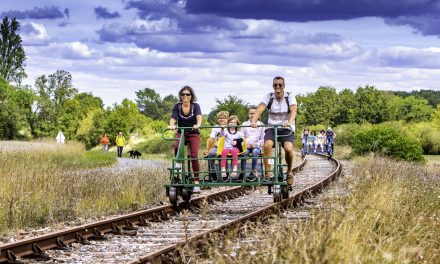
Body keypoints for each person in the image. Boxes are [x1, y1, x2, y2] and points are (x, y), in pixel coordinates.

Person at [251, 76, 297, 185]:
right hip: (272, 127)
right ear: (273, 86)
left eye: (280, 85)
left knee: (288, 148)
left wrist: (289, 122)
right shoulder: (269, 96)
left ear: (283, 86)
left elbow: (293, 111)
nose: (278, 87)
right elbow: (260, 109)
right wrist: (254, 121)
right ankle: (267, 174)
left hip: (286, 128)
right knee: (266, 146)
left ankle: (289, 172)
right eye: (275, 85)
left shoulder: (289, 96)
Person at [168, 86, 202, 193]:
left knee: (194, 156)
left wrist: (198, 125)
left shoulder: (195, 106)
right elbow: (173, 118)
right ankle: (179, 163)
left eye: (188, 94)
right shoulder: (177, 106)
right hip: (182, 132)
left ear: (191, 96)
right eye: (183, 94)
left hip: (193, 133)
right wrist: (172, 125)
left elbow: (199, 117)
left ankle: (196, 183)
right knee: (177, 146)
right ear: (180, 96)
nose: (185, 96)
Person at [203, 111, 229, 177]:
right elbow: (211, 139)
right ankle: (212, 171)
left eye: (224, 118)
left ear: (227, 119)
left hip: (227, 147)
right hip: (217, 146)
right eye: (220, 118)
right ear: (218, 120)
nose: (222, 119)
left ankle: (226, 172)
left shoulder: (229, 127)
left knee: (224, 155)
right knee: (211, 153)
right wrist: (208, 150)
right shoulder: (215, 127)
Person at [241, 106, 265, 178]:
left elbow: (263, 138)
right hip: (247, 145)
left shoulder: (261, 125)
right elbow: (241, 137)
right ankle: (243, 172)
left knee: (255, 152)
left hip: (257, 146)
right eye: (251, 113)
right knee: (244, 153)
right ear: (248, 114)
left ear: (258, 115)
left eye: (254, 113)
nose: (252, 115)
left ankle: (253, 171)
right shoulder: (244, 124)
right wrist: (245, 144)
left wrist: (256, 144)